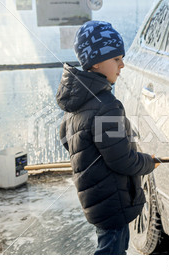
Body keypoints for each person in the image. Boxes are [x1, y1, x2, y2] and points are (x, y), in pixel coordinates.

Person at [56, 20, 159, 255]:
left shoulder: (78, 101)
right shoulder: (107, 106)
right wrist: (148, 162)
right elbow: (122, 159)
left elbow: (65, 138)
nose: (122, 65)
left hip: (96, 197)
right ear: (96, 63)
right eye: (116, 59)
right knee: (111, 252)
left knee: (111, 248)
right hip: (113, 199)